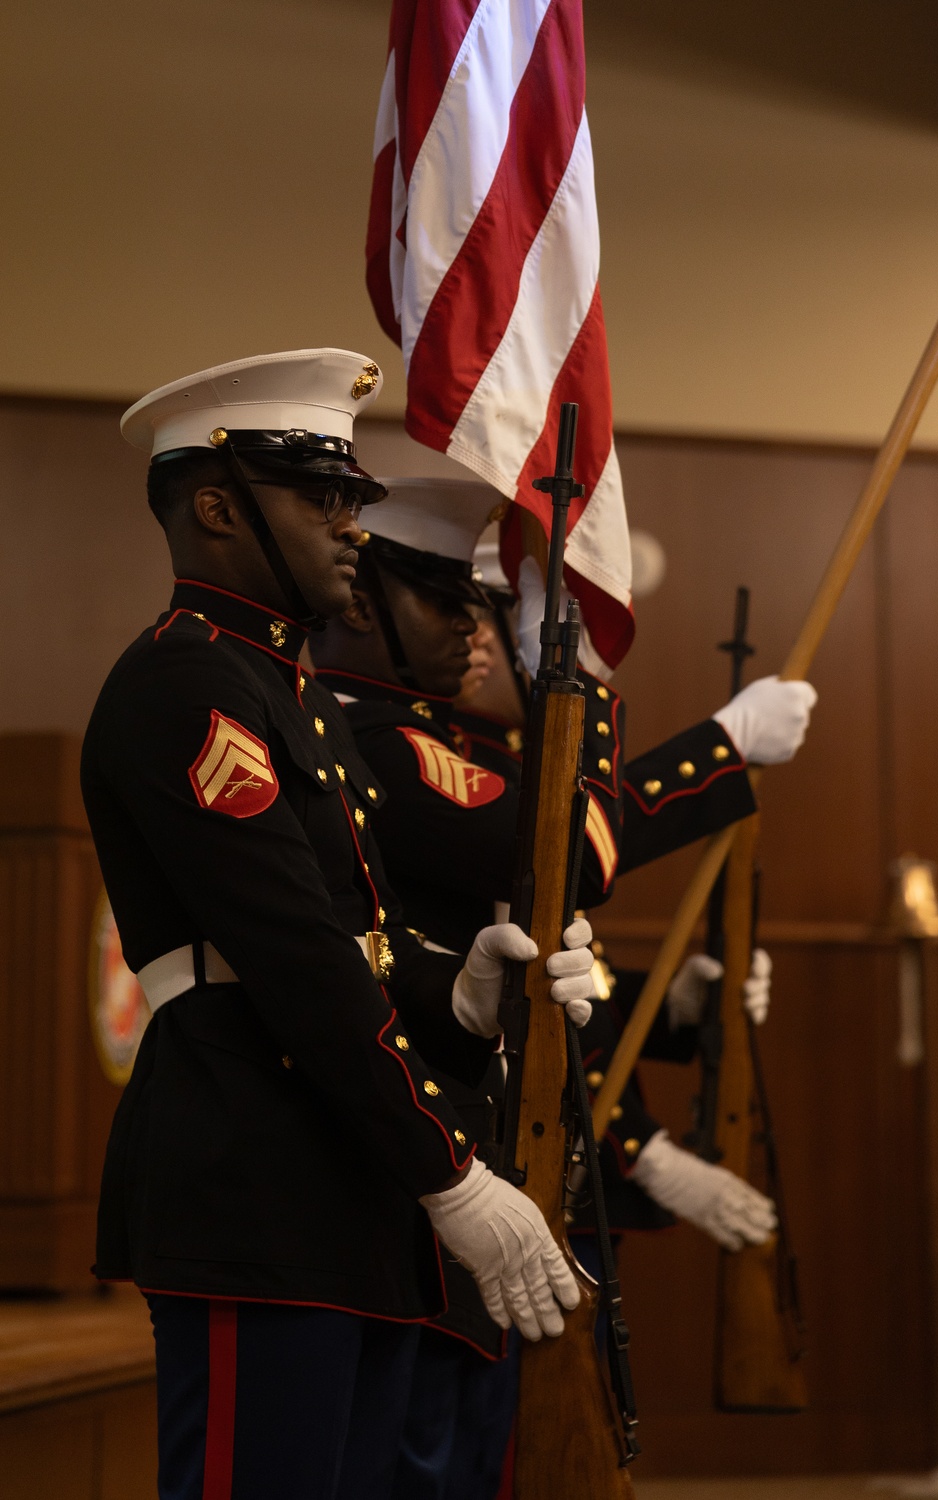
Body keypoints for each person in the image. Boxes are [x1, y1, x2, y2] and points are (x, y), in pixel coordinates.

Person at [83, 352, 595, 1500]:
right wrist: (450, 1172)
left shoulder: (285, 689)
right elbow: (292, 957)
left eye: (352, 499)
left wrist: (458, 986)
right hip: (252, 1167)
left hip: (341, 1174)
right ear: (217, 508)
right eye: (320, 499)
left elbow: (353, 932)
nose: (350, 528)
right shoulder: (187, 683)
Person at [311, 477, 816, 1498]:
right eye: (467, 608)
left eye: (490, 610)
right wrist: (674, 730)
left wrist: (669, 1011)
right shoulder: (384, 746)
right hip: (432, 1167)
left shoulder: (448, 746)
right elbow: (571, 854)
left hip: (499, 1162)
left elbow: (545, 957)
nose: (483, 639)